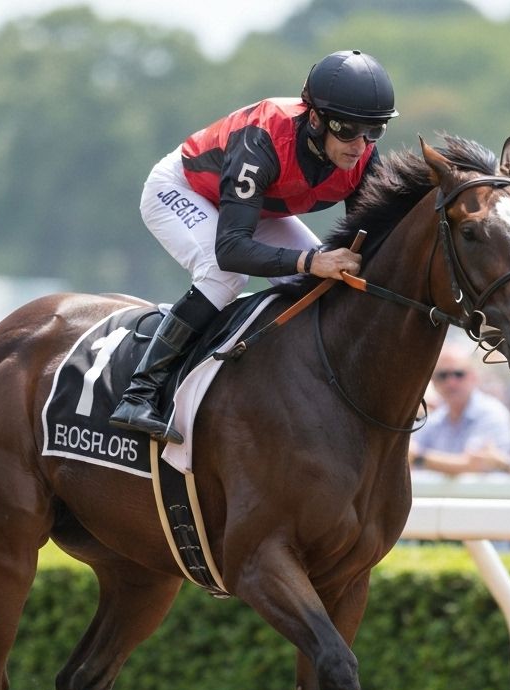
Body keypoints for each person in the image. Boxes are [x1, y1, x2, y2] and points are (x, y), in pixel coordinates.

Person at [110, 49, 397, 443]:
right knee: (224, 274)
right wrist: (311, 260)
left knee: (327, 287)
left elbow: (375, 243)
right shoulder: (262, 138)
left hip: (253, 209)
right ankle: (139, 391)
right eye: (347, 129)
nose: (359, 145)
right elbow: (231, 249)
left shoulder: (363, 155)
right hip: (183, 190)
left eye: (374, 131)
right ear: (315, 119)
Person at [407, 336, 510, 475]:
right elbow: (408, 457)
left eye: (459, 374)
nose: (451, 382)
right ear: (433, 382)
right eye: (442, 375)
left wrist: (419, 457)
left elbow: (474, 466)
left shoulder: (491, 413)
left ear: (474, 376)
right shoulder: (435, 419)